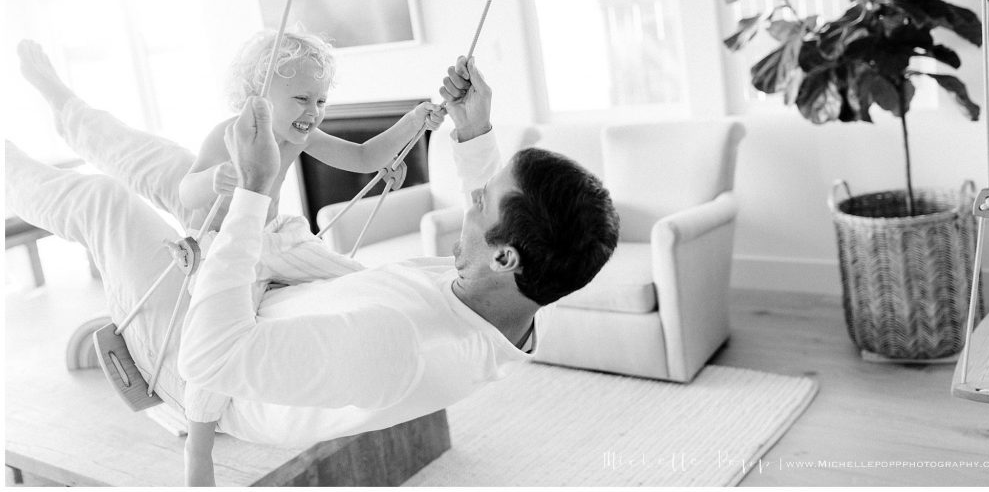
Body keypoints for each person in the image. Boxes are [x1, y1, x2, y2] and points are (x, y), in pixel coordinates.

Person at [7, 44, 620, 486]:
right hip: (263, 267)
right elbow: (491, 212)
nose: (471, 198)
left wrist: (250, 194)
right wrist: (474, 126)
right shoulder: (492, 297)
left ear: (506, 254)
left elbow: (210, 358)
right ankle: (65, 104)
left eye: (481, 201)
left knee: (101, 201)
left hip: (200, 349)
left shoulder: (397, 345)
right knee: (161, 163)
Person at [179, 30, 446, 232]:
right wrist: (213, 178)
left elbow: (363, 157)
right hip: (215, 243)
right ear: (258, 97)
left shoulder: (299, 139)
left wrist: (413, 122)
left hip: (262, 237)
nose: (314, 111)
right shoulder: (229, 135)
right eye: (301, 99)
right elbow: (186, 194)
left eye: (320, 101)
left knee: (324, 267)